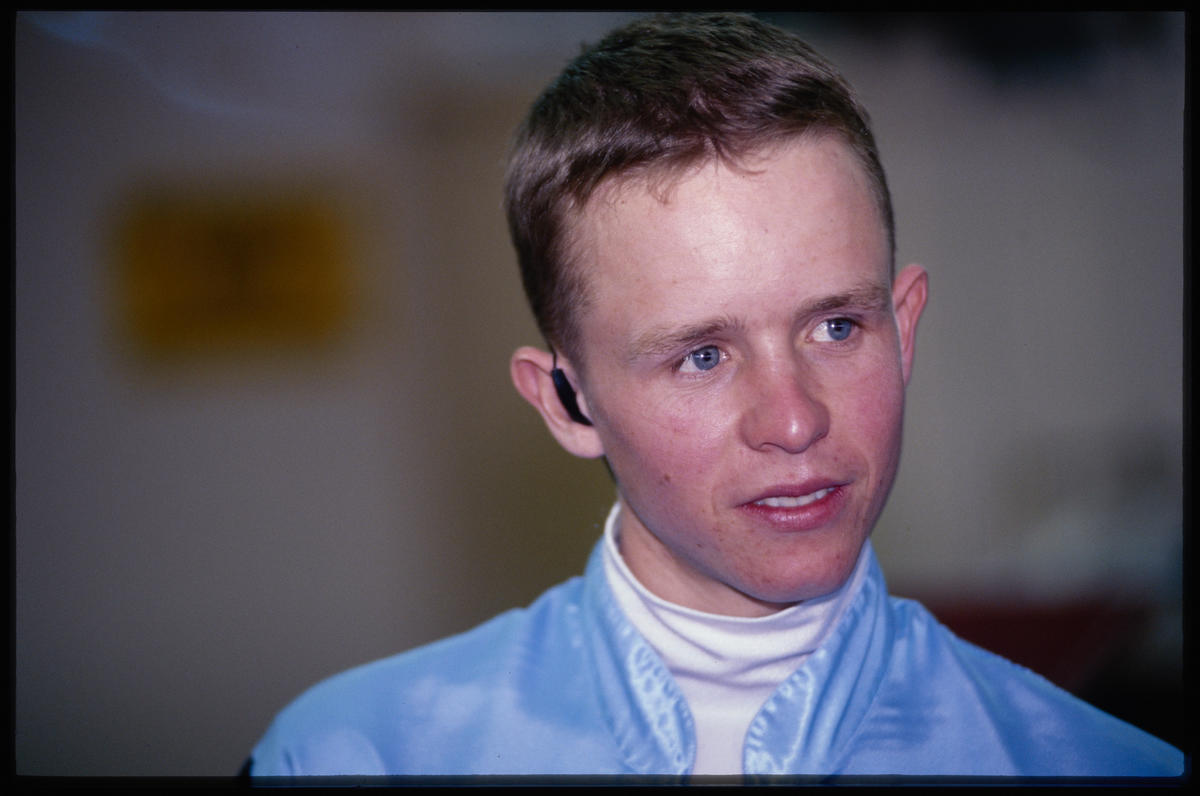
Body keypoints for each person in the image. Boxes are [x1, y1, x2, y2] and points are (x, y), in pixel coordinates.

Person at [247, 13, 1183, 779]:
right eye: (701, 356)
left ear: (904, 331)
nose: (794, 420)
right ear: (565, 402)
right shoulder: (350, 758)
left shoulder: (1100, 768)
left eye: (836, 328)